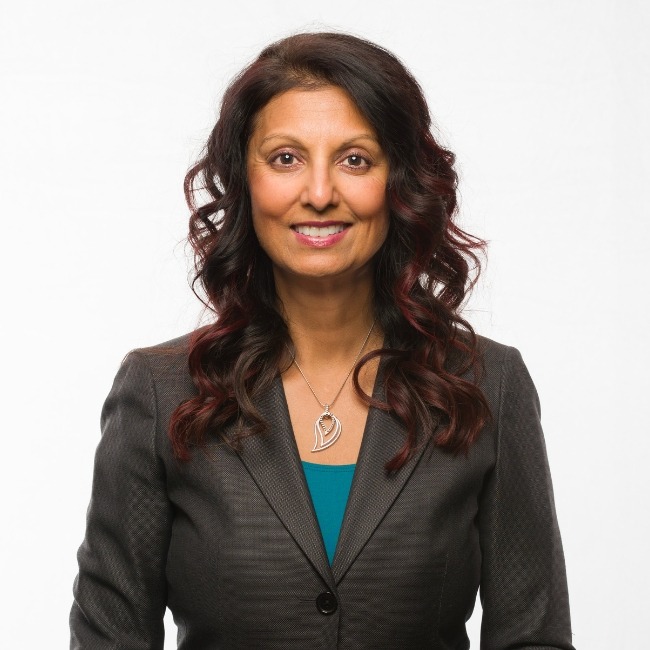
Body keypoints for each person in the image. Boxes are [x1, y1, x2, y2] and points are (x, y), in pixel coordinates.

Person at [70, 32, 575, 649]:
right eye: (285, 158)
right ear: (244, 180)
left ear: (400, 181)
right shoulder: (160, 391)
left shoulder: (487, 385)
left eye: (354, 160)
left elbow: (532, 636)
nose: (318, 193)